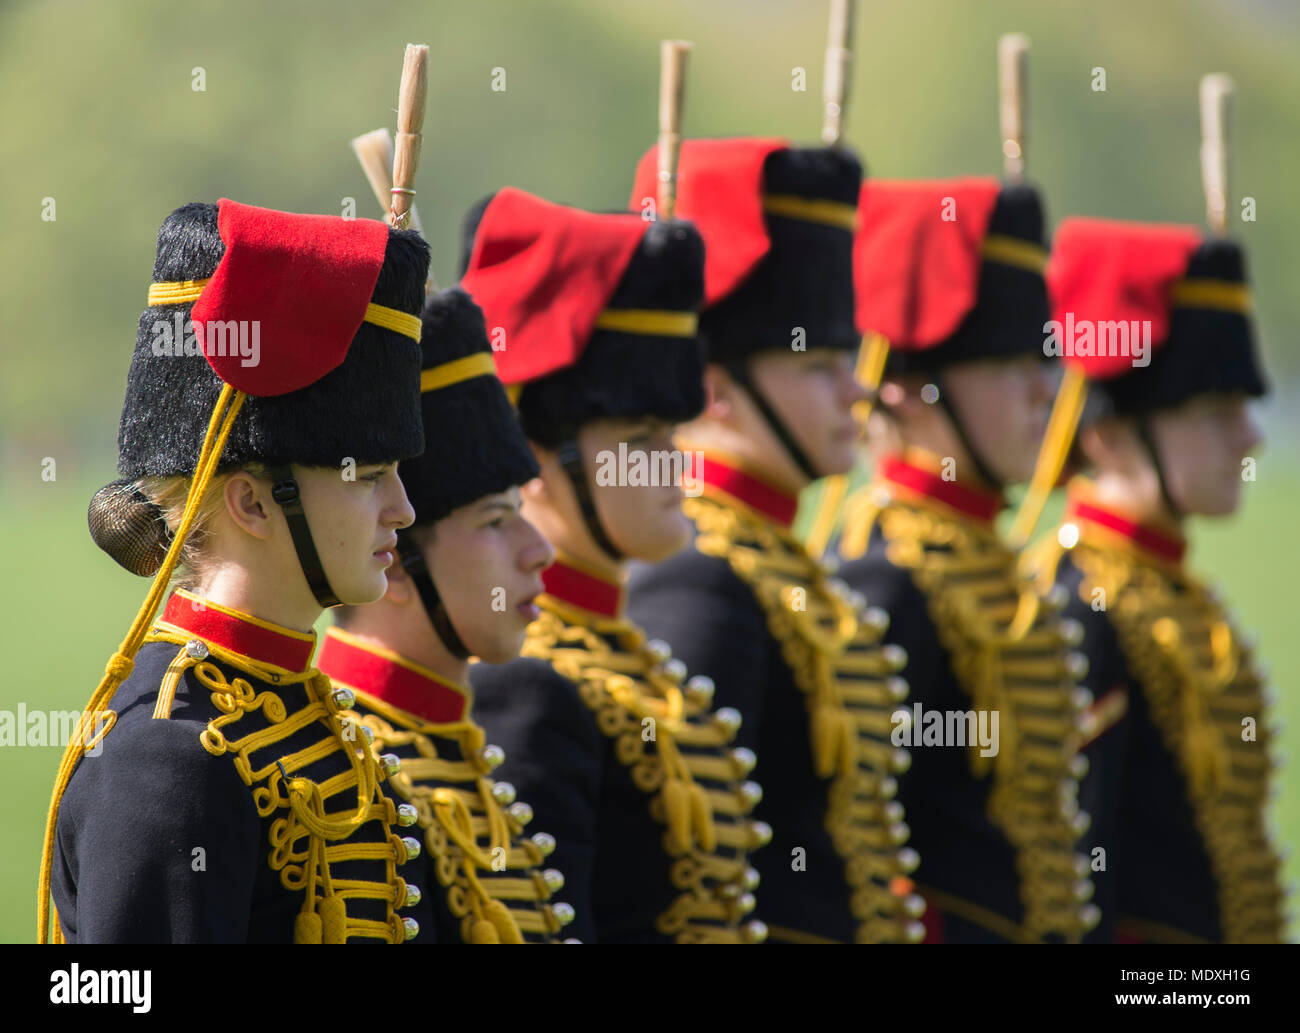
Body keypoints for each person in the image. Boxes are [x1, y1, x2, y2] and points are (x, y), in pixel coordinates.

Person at [41, 199, 430, 943]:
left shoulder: (304, 713)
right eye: (368, 474)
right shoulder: (165, 760)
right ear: (252, 501)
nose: (403, 509)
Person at [624, 139, 924, 945]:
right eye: (823, 364)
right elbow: (692, 881)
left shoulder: (780, 562)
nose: (858, 389)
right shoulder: (697, 577)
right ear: (717, 389)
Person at [462, 187, 770, 944]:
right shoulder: (523, 682)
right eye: (641, 442)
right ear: (534, 457)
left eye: (673, 435)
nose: (676, 468)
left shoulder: (630, 653)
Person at [826, 178, 1099, 942]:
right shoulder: (883, 578)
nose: (1046, 393)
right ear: (913, 389)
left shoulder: (994, 567)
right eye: (1013, 366)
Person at [1022, 217, 1284, 943]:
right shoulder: (1079, 607)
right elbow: (1075, 894)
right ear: (1108, 434)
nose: (1250, 436)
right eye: (1213, 412)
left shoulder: (1171, 592)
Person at [318, 285, 579, 942]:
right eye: (496, 522)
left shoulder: (458, 749)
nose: (538, 550)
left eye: (522, 512)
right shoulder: (343, 780)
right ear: (397, 561)